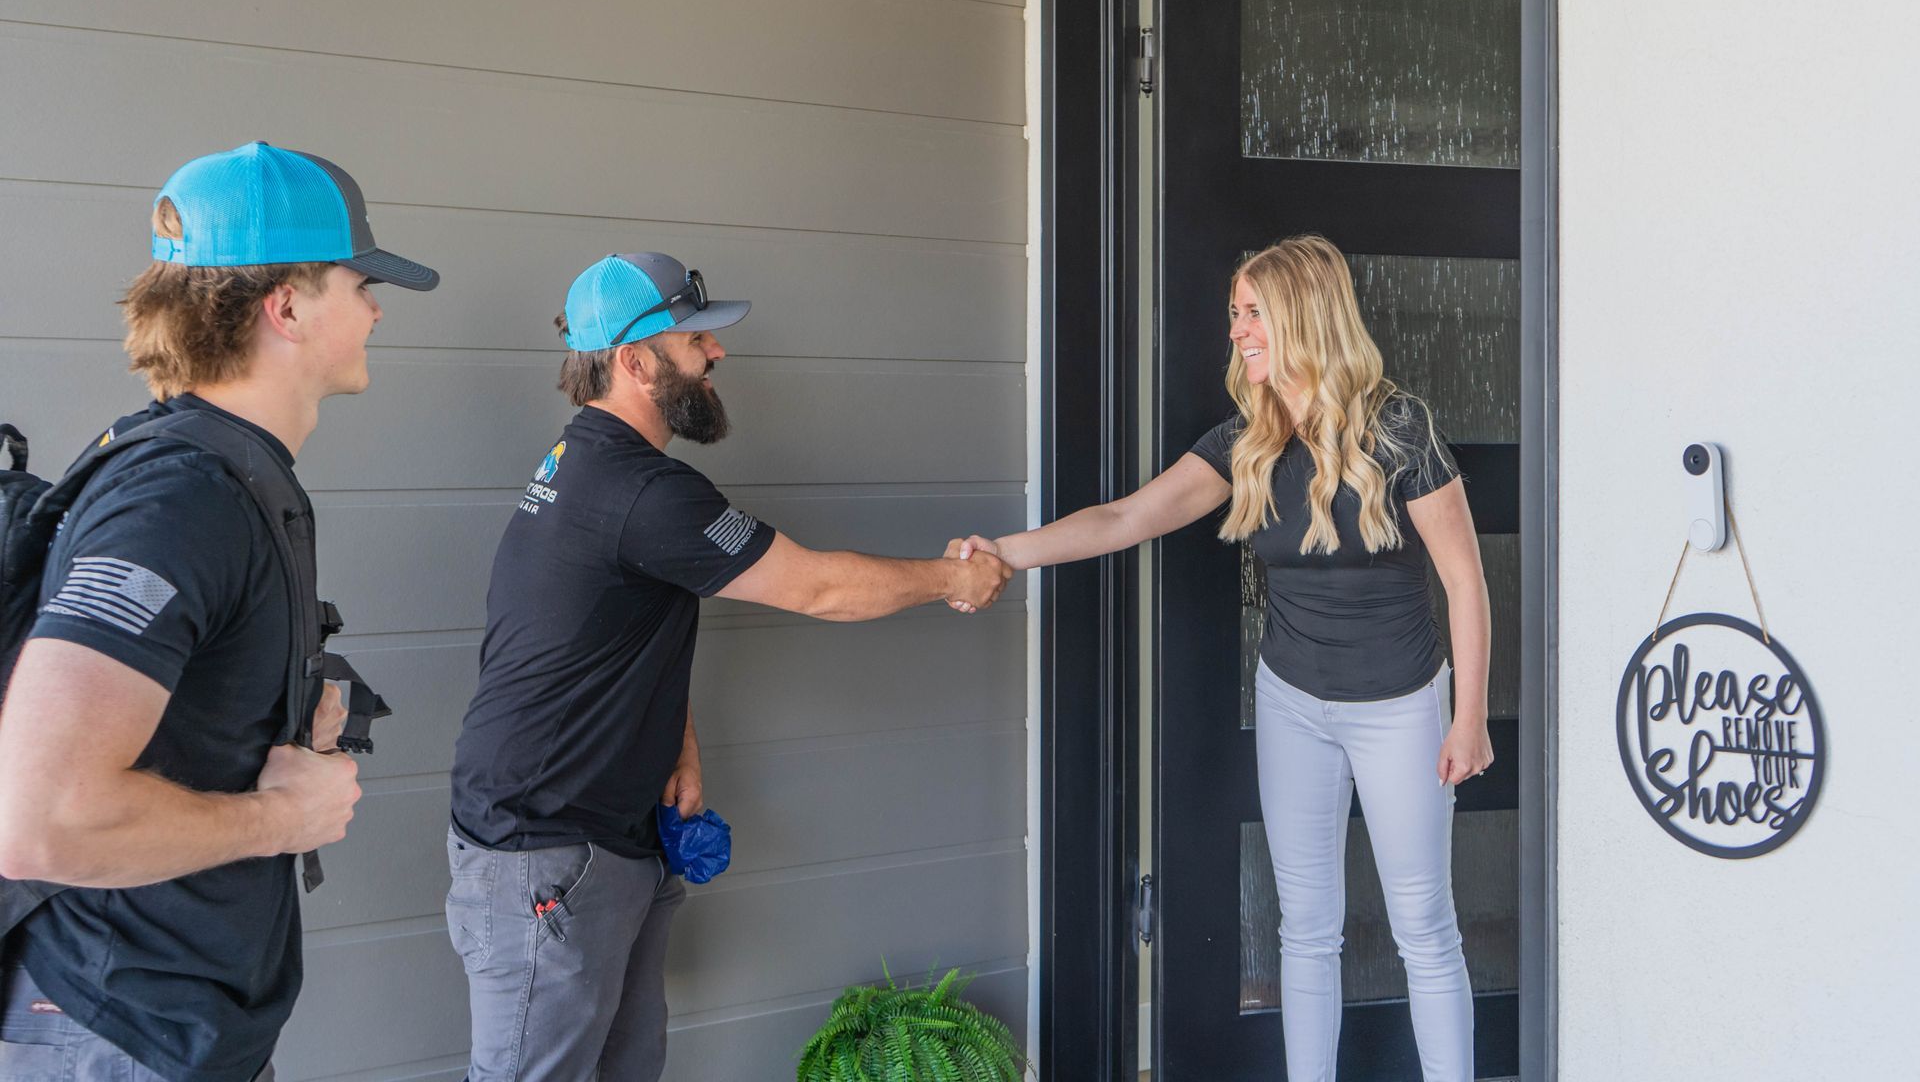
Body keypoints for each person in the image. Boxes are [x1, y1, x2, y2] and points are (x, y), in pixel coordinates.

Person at [446, 252, 1013, 1082]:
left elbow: (594, 628)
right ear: (634, 361)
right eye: (694, 340)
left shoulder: (580, 466)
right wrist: (954, 578)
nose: (716, 355)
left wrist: (676, 734)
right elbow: (817, 586)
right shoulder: (640, 491)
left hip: (600, 842)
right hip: (545, 854)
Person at [949, 235, 1493, 1082]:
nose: (1239, 331)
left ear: (1304, 314)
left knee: (1423, 926)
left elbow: (1465, 582)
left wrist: (1467, 720)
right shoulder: (1248, 441)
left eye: (1254, 313)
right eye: (1234, 314)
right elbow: (1124, 519)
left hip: (1401, 706)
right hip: (1293, 703)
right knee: (1305, 928)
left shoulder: (1399, 430)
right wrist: (1005, 552)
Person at [0, 142, 440, 1081]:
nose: (373, 308)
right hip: (113, 1030)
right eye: (359, 282)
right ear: (285, 306)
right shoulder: (183, 496)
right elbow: (41, 819)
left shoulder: (232, 474)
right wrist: (282, 819)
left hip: (178, 1025)